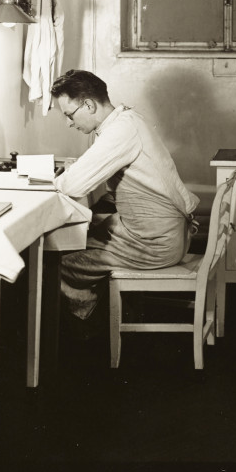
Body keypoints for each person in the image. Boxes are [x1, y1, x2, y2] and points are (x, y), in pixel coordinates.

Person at [50, 69, 199, 322]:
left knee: (53, 262)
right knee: (84, 234)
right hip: (164, 232)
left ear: (88, 104)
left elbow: (72, 186)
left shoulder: (120, 131)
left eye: (69, 115)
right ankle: (93, 302)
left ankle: (86, 309)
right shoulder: (127, 119)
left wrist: (57, 178)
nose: (69, 123)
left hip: (155, 244)